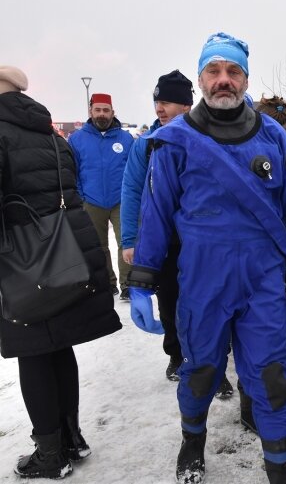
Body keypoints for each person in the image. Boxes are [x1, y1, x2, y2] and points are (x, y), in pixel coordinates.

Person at [126, 32, 286, 484]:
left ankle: (278, 465)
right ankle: (192, 439)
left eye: (233, 71)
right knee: (201, 369)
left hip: (262, 280)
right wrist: (141, 282)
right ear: (201, 77)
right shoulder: (173, 141)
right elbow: (156, 215)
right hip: (202, 281)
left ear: (245, 78)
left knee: (271, 374)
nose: (224, 80)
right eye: (214, 71)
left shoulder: (274, 136)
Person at [0, 65, 122, 479]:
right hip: (65, 257)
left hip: (22, 265)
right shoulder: (52, 135)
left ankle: (50, 453)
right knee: (57, 348)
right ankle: (71, 437)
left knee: (33, 354)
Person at [121, 70, 235, 395]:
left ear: (186, 105)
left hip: (205, 243)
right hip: (165, 244)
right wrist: (131, 240)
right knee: (170, 303)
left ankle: (217, 366)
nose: (160, 107)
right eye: (157, 101)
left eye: (167, 101)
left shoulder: (209, 140)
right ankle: (177, 356)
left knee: (214, 306)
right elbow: (131, 192)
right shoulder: (146, 144)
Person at [68, 92, 135, 299]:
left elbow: (133, 170)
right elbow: (73, 170)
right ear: (91, 111)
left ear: (113, 112)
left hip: (121, 200)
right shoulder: (77, 139)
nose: (102, 114)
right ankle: (107, 282)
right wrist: (80, 196)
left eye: (106, 110)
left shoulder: (126, 138)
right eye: (98, 110)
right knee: (98, 245)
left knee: (127, 242)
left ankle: (128, 284)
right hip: (92, 200)